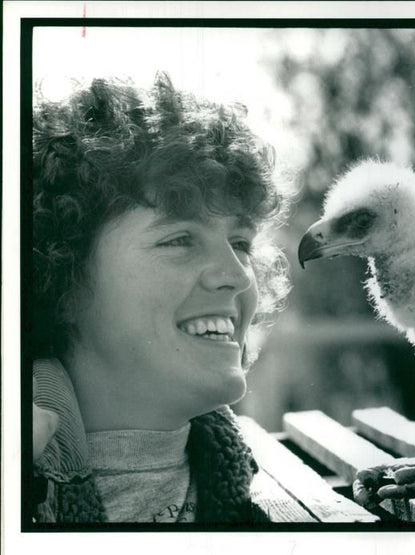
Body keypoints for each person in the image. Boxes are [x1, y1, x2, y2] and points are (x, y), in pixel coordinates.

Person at [31, 72, 291, 523]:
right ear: (61, 276)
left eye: (242, 244)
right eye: (179, 240)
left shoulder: (270, 501)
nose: (237, 276)